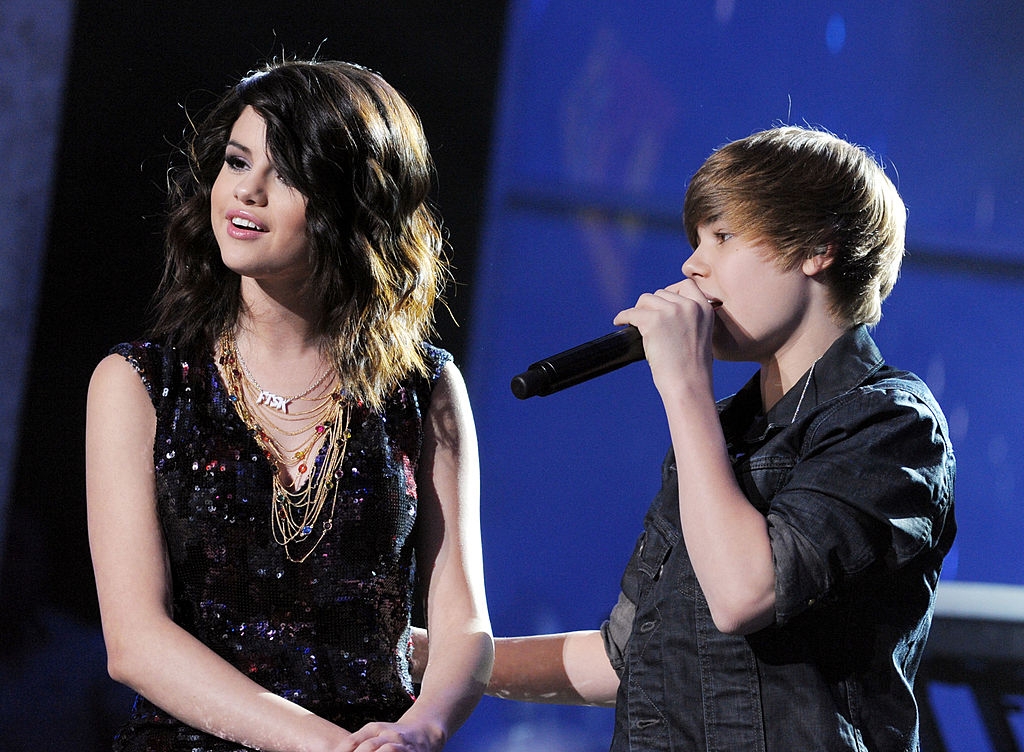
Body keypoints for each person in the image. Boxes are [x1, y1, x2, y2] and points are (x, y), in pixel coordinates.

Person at [414, 125, 956, 751]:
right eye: (697, 240)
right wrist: (442, 657)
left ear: (816, 249)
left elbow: (745, 593)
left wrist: (684, 387)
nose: (692, 266)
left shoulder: (892, 425)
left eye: (722, 236)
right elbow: (626, 656)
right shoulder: (721, 431)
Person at [86, 59, 493, 752]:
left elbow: (462, 620)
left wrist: (420, 728)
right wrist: (328, 746)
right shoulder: (139, 383)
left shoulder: (421, 386)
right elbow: (135, 642)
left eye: (288, 174)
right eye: (237, 161)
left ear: (353, 203)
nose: (247, 190)